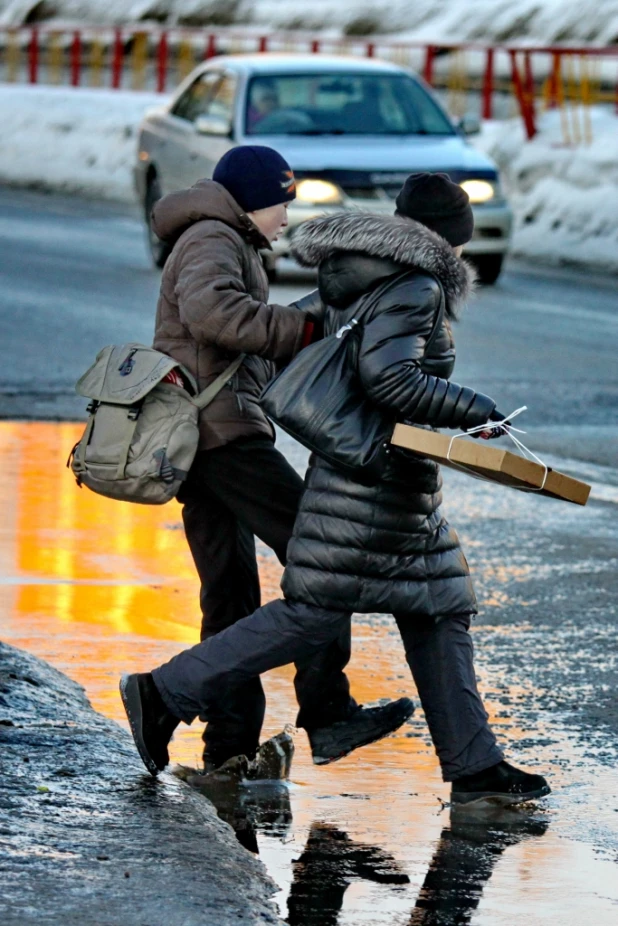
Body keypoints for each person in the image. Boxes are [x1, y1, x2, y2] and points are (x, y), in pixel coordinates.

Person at [123, 172, 550, 806]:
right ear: (444, 240)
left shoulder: (357, 276)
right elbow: (389, 379)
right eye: (458, 244)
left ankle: (474, 766)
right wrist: (474, 409)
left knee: (438, 605)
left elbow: (296, 345)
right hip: (372, 482)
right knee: (316, 612)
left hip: (382, 478)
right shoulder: (417, 284)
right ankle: (164, 693)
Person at [149, 144, 413, 771]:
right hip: (221, 436)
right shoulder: (213, 237)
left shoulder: (220, 236)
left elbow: (234, 338)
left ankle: (227, 748)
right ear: (249, 199)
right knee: (325, 557)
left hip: (205, 435)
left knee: (231, 596)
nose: (287, 215)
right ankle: (327, 712)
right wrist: (306, 332)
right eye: (281, 201)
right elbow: (215, 317)